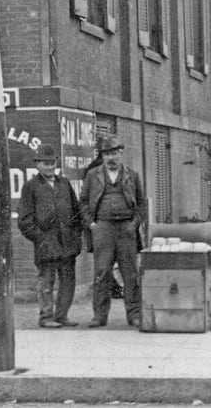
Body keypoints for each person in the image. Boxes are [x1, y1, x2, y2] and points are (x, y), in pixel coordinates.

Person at [80, 135, 146, 328]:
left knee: (130, 273)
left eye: (115, 153)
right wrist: (91, 224)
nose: (112, 158)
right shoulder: (93, 175)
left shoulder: (132, 175)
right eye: (107, 154)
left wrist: (135, 223)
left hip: (126, 228)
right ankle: (99, 316)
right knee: (102, 272)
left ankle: (134, 314)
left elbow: (141, 203)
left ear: (121, 153)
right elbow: (83, 202)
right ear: (102, 155)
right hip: (103, 228)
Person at [18, 143, 85, 327]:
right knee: (46, 281)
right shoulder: (30, 187)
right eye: (45, 163)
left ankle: (62, 315)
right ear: (37, 165)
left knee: (68, 280)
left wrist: (76, 235)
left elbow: (77, 211)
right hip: (46, 242)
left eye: (52, 163)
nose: (49, 167)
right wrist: (40, 239)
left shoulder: (64, 184)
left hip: (67, 241)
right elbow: (24, 220)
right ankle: (46, 317)